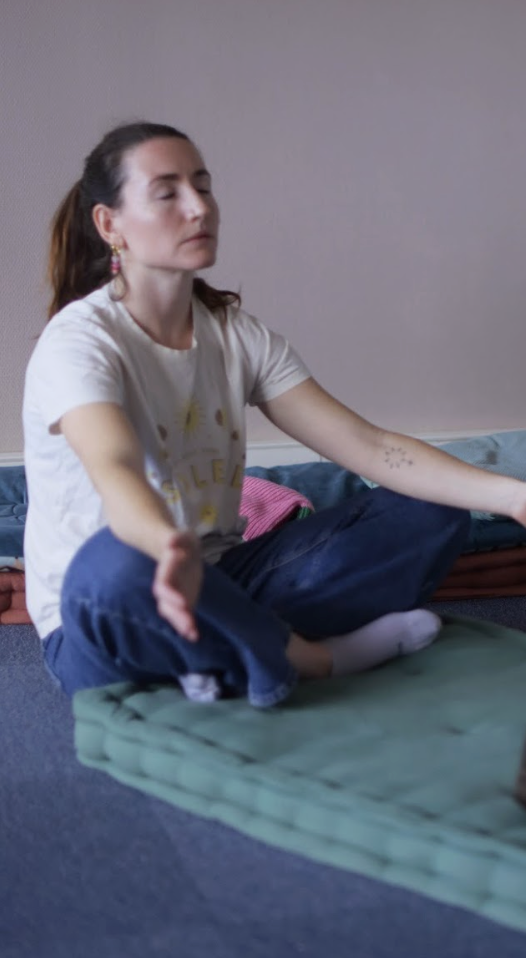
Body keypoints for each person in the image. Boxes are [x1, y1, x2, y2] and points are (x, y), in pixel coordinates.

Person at [22, 121, 525, 708]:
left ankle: (217, 654)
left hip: (222, 579)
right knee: (112, 562)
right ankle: (312, 659)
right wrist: (165, 546)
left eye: (203, 187)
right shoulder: (79, 341)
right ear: (110, 225)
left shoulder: (237, 336)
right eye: (168, 192)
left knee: (435, 510)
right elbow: (114, 467)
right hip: (108, 613)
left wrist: (512, 496)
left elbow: (368, 447)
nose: (198, 207)